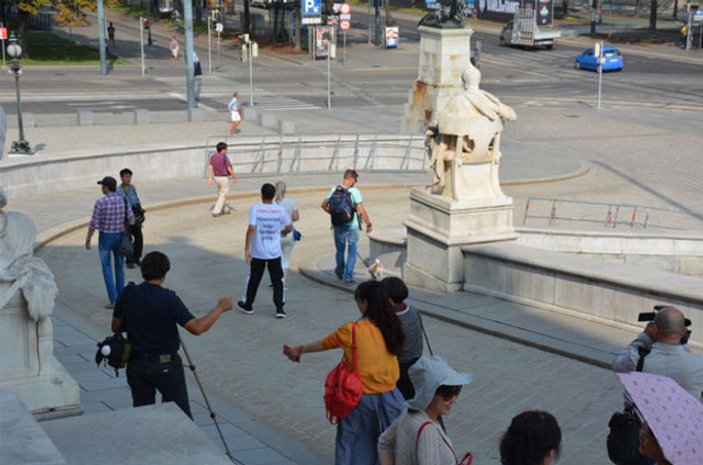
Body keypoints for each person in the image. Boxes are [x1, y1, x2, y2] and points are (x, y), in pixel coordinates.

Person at [284, 281, 406, 465]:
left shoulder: (352, 330)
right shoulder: (391, 326)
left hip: (360, 399)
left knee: (353, 441)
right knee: (389, 445)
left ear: (365, 303)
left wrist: (298, 349)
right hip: (392, 398)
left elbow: (324, 343)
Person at [111, 251, 233, 419]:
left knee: (143, 416)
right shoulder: (168, 298)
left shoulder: (128, 293)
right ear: (164, 273)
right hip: (166, 367)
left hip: (137, 364)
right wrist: (220, 308)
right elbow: (197, 328)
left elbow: (115, 326)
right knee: (181, 417)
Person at [377, 356, 472, 465]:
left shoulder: (408, 412)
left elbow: (384, 443)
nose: (455, 399)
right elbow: (384, 443)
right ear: (429, 394)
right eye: (447, 395)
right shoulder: (428, 431)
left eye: (457, 393)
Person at [612, 306, 703, 401]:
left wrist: (644, 337)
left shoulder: (636, 359)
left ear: (655, 331)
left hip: (644, 415)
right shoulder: (699, 365)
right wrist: (683, 342)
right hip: (684, 415)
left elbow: (617, 365)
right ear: (684, 331)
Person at [239, 183, 293, 319]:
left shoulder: (255, 208)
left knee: (254, 278)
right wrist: (283, 232)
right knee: (277, 280)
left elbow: (251, 228)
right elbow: (289, 226)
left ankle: (249, 305)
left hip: (258, 251)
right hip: (274, 251)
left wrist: (247, 249)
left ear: (261, 194)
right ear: (274, 195)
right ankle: (279, 308)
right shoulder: (279, 209)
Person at [85, 176, 134, 309]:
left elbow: (94, 224)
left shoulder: (100, 202)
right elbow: (131, 219)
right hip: (120, 237)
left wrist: (88, 239)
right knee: (119, 267)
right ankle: (121, 298)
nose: (101, 188)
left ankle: (114, 299)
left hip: (105, 238)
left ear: (106, 188)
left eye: (102, 186)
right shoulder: (123, 200)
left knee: (107, 268)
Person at [321, 169, 373, 284]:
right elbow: (361, 210)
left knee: (340, 250)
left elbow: (323, 205)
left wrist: (333, 213)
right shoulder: (354, 191)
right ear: (352, 179)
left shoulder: (334, 189)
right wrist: (369, 224)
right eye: (355, 180)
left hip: (338, 225)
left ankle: (339, 272)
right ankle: (348, 276)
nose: (355, 182)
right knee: (352, 251)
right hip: (352, 226)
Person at [382, 277, 423, 401]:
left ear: (389, 300)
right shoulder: (414, 311)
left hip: (400, 366)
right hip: (416, 359)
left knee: (401, 400)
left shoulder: (391, 322)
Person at [118, 168, 145, 269]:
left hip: (135, 217)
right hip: (125, 219)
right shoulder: (118, 191)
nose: (128, 179)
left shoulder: (133, 188)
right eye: (126, 176)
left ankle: (136, 258)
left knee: (139, 238)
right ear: (121, 177)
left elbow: (136, 199)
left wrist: (140, 209)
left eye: (129, 176)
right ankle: (129, 260)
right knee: (127, 239)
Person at [275, 181, 299, 288]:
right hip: (289, 233)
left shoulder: (273, 203)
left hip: (276, 234)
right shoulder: (291, 202)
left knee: (276, 260)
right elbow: (295, 217)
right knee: (285, 260)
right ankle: (283, 283)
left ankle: (275, 281)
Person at [207, 142, 237, 217]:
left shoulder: (213, 157)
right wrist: (234, 176)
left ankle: (225, 208)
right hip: (223, 177)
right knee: (223, 194)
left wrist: (210, 178)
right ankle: (216, 211)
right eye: (226, 149)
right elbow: (229, 168)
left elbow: (210, 167)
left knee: (220, 193)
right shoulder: (224, 157)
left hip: (216, 177)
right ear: (222, 150)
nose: (227, 150)